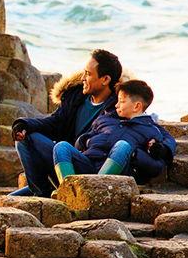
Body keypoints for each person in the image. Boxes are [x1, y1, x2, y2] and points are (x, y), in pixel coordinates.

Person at [10, 49, 122, 196]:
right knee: (23, 136)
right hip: (62, 161)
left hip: (88, 167)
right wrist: (25, 124)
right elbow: (55, 121)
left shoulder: (118, 107)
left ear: (105, 79)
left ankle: (46, 193)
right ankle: (41, 192)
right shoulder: (76, 96)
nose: (82, 78)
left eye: (88, 74)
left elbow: (137, 130)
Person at [52, 79, 177, 185]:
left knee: (123, 145)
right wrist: (85, 140)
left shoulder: (150, 130)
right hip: (88, 162)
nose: (116, 105)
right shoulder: (106, 119)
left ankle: (96, 188)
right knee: (61, 146)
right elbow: (84, 139)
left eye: (121, 101)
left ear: (136, 106)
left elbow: (155, 167)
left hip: (116, 171)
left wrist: (135, 154)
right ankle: (68, 189)